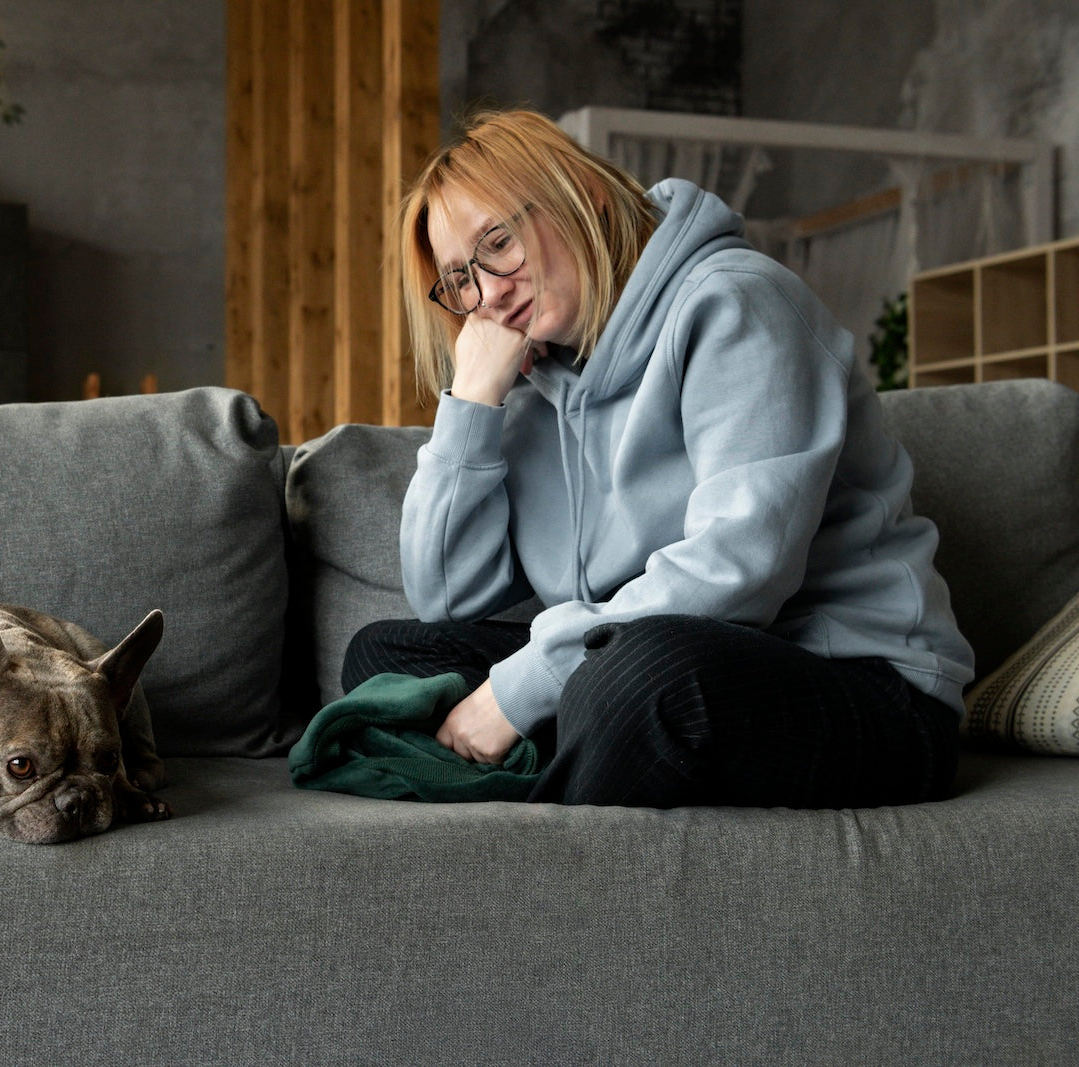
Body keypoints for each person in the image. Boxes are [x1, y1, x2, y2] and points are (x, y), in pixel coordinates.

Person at [342, 109, 973, 808]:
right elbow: (445, 598)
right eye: (460, 278)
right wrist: (472, 401)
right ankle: (587, 758)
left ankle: (533, 820)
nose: (488, 293)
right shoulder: (531, 375)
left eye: (499, 242)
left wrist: (522, 689)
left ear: (587, 196)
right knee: (386, 658)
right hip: (642, 664)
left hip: (865, 686)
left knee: (643, 677)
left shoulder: (735, 304)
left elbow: (739, 572)